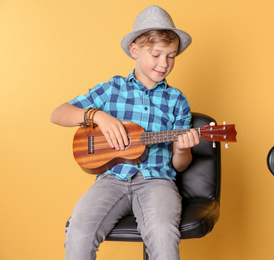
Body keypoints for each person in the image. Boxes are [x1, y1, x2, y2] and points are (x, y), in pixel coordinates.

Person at [50, 5, 199, 260]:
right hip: (110, 179)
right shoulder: (111, 90)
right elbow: (58, 113)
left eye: (171, 56)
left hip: (157, 181)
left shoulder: (177, 100)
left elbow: (180, 165)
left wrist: (183, 149)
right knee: (78, 232)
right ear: (135, 50)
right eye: (156, 54)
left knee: (163, 235)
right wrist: (97, 115)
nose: (164, 63)